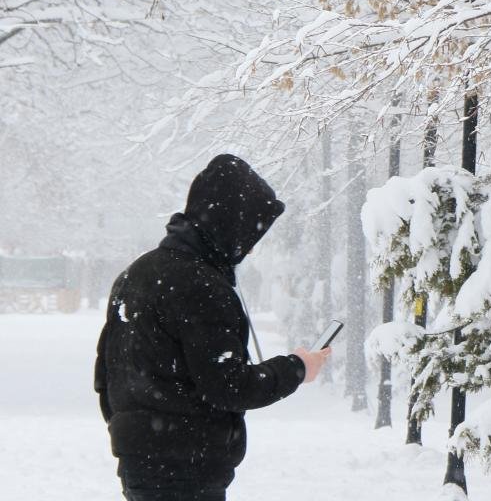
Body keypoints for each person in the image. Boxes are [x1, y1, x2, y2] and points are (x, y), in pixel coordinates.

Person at [94, 154, 332, 501]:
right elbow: (229, 386)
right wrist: (297, 368)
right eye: (251, 232)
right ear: (230, 223)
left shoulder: (135, 274)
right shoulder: (201, 287)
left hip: (140, 465)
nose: (249, 248)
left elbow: (108, 375)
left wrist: (133, 435)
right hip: (187, 471)